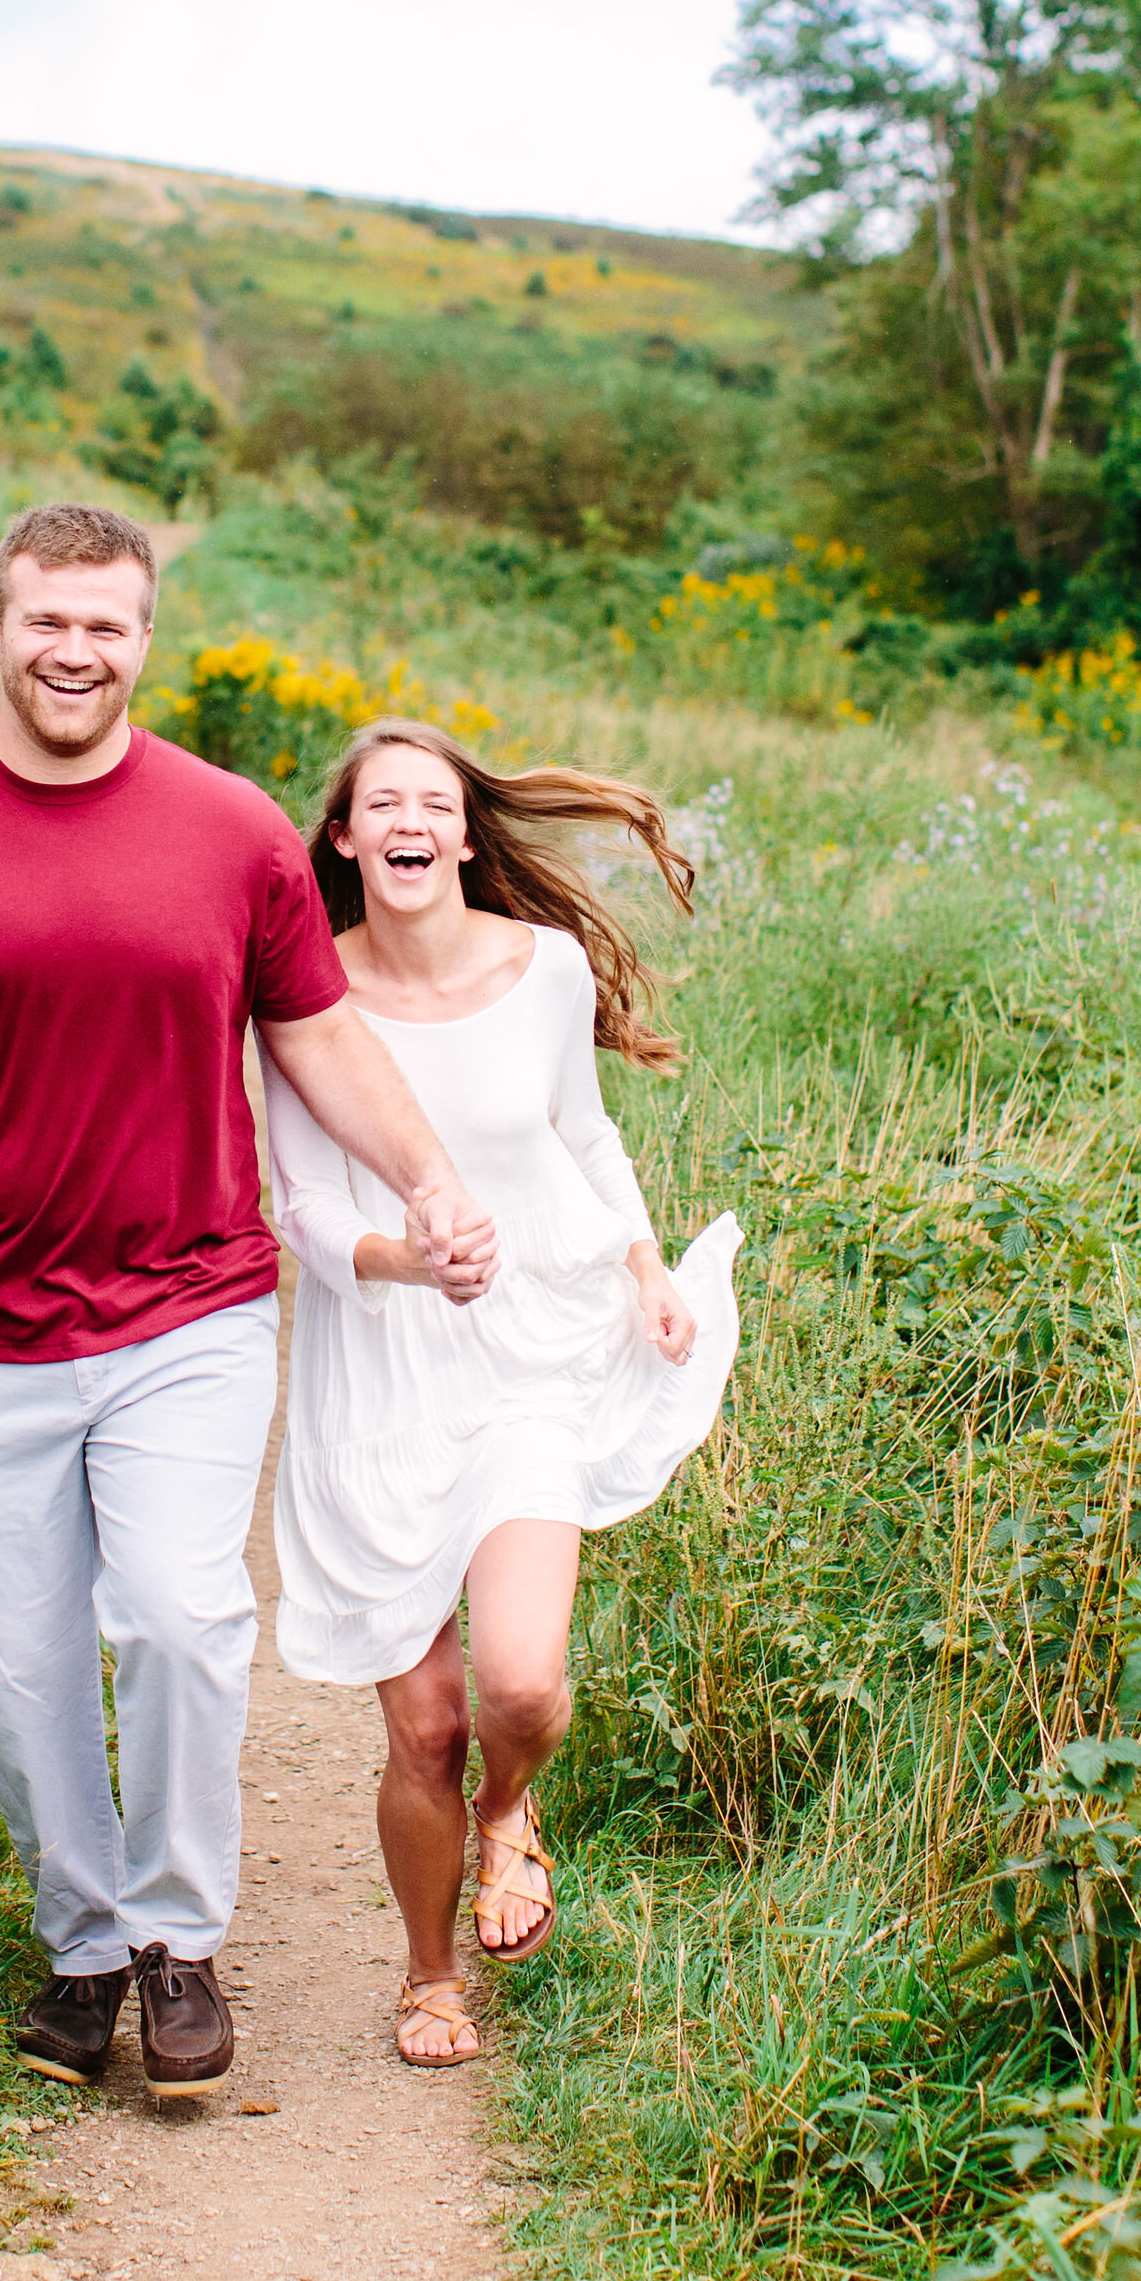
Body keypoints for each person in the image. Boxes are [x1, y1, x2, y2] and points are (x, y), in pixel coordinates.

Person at [0, 506, 497, 2099]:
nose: (74, 652)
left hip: (191, 1307)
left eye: (106, 626)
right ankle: (82, 1945)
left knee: (181, 1617)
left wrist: (429, 1177)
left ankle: (178, 1940)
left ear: (144, 641)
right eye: (48, 622)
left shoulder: (234, 830)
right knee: (17, 1667)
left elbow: (317, 1037)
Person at [264, 719, 742, 2070]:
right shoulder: (305, 1000)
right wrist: (405, 1257)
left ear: (467, 837)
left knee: (519, 1692)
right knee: (424, 1719)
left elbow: (581, 1133)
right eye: (380, 805)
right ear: (348, 841)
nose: (410, 822)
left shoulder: (545, 969)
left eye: (436, 803)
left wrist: (644, 1267)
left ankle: (511, 1810)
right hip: (385, 1373)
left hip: (535, 1347)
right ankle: (429, 1976)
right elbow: (297, 1208)